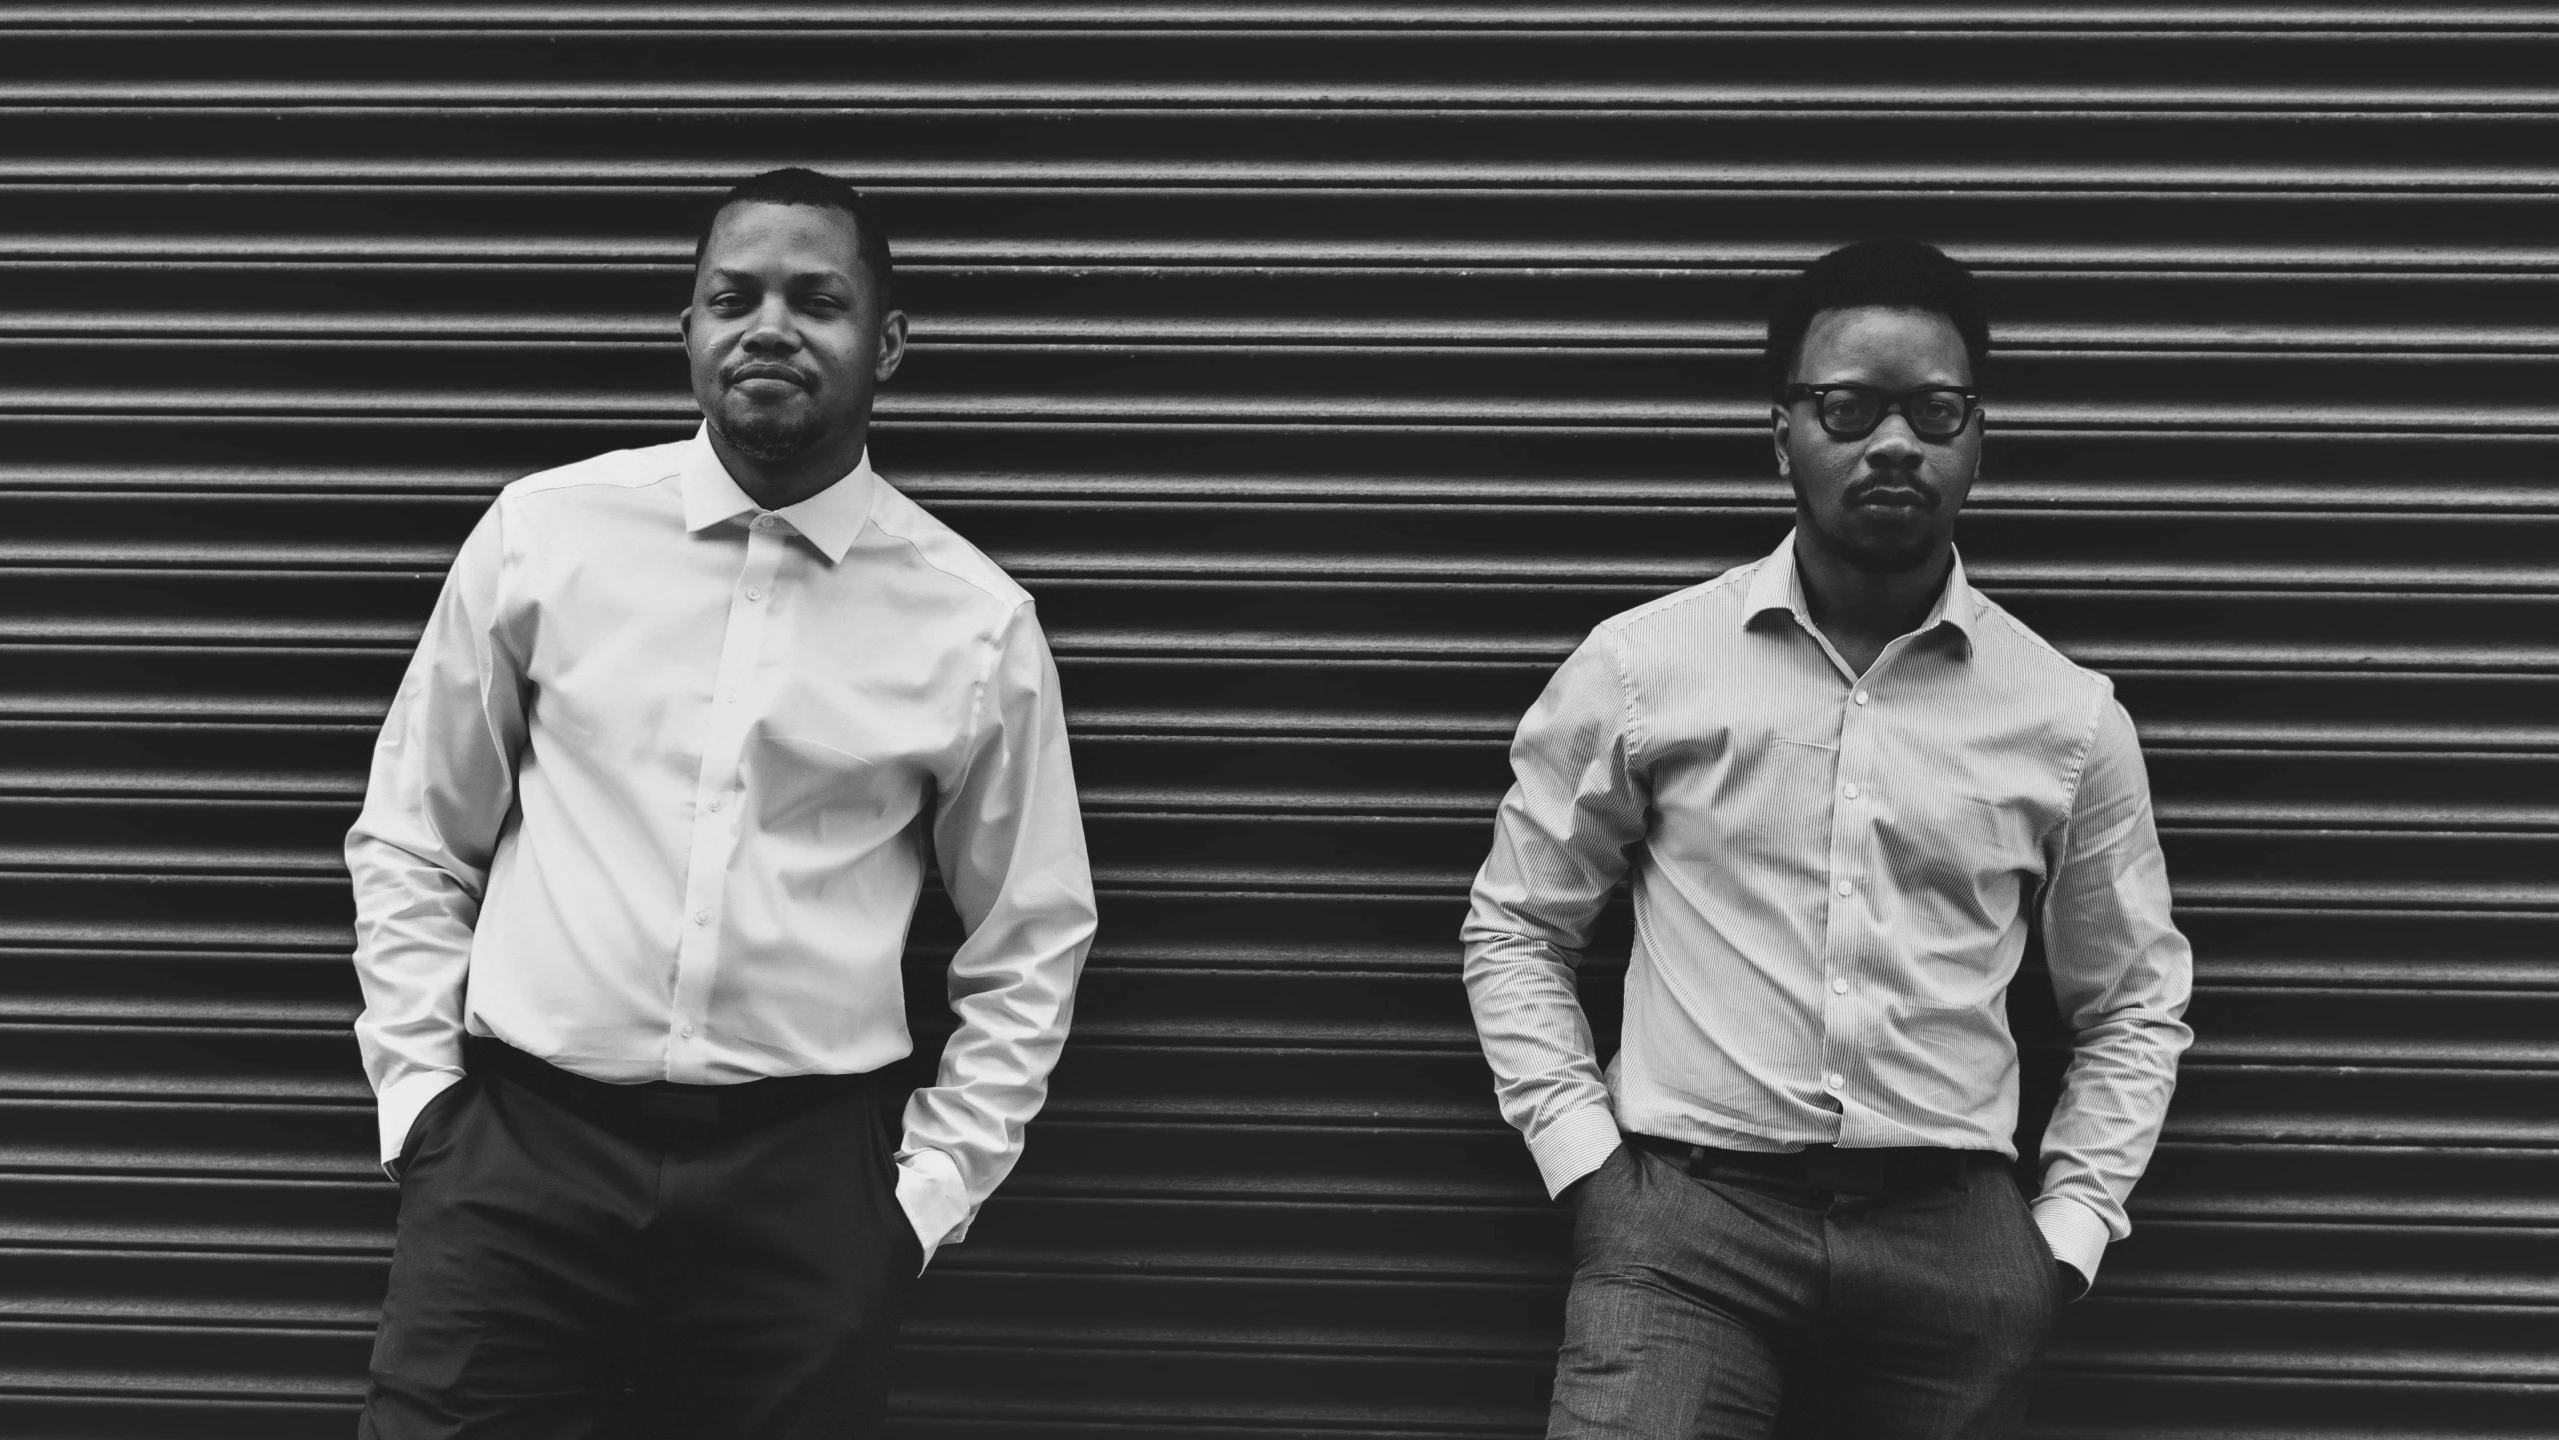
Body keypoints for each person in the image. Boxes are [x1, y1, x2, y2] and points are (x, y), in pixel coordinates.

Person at [345, 167, 1096, 1438]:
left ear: (889, 342)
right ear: (686, 328)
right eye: (730, 296)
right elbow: (418, 835)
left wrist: (919, 1197)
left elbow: (1033, 934)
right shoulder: (545, 537)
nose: (769, 328)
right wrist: (425, 1108)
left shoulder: (973, 623)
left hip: (803, 1198)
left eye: (819, 300)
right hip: (519, 1165)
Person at [1460, 239, 2192, 1439]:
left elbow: (2133, 1002)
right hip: (1687, 1232)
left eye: (1935, 410)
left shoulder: (2068, 717)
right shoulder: (1646, 668)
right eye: (1848, 407)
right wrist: (1587, 1163)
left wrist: (2061, 1236)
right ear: (1783, 432)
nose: (1893, 443)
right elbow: (1519, 923)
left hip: (1954, 1244)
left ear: (1977, 437)